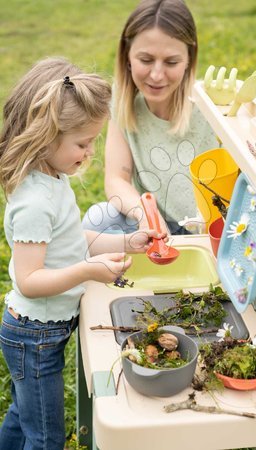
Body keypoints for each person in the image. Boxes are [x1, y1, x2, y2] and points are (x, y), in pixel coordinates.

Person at [0, 57, 162, 450]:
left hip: (43, 332)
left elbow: (72, 240)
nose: (89, 153)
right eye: (82, 143)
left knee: (24, 415)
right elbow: (30, 280)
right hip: (34, 335)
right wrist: (88, 270)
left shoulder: (52, 178)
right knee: (46, 438)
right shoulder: (35, 201)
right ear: (45, 136)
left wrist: (125, 242)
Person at [82, 0, 218, 235]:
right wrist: (147, 216)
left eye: (171, 62)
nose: (157, 75)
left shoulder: (212, 106)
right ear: (127, 56)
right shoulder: (123, 104)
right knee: (99, 220)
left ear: (189, 59)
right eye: (145, 60)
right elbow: (116, 179)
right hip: (155, 227)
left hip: (210, 231)